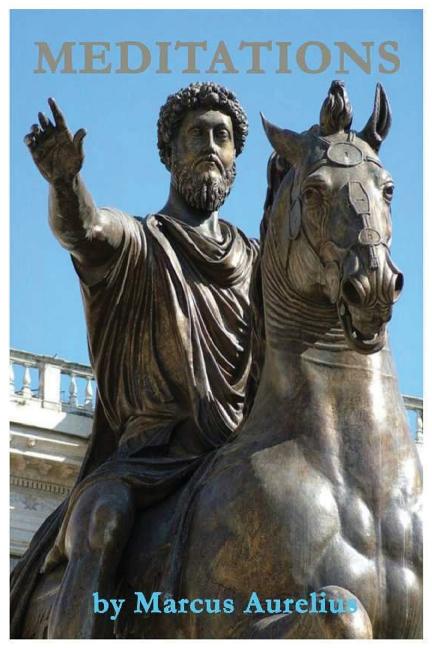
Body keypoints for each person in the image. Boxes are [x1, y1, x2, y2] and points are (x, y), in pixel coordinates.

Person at [11, 82, 259, 638]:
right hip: (148, 461)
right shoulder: (140, 242)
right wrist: (65, 182)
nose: (211, 146)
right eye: (197, 134)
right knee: (104, 518)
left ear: (236, 158)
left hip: (236, 458)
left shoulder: (258, 265)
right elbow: (84, 230)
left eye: (222, 137)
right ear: (169, 152)